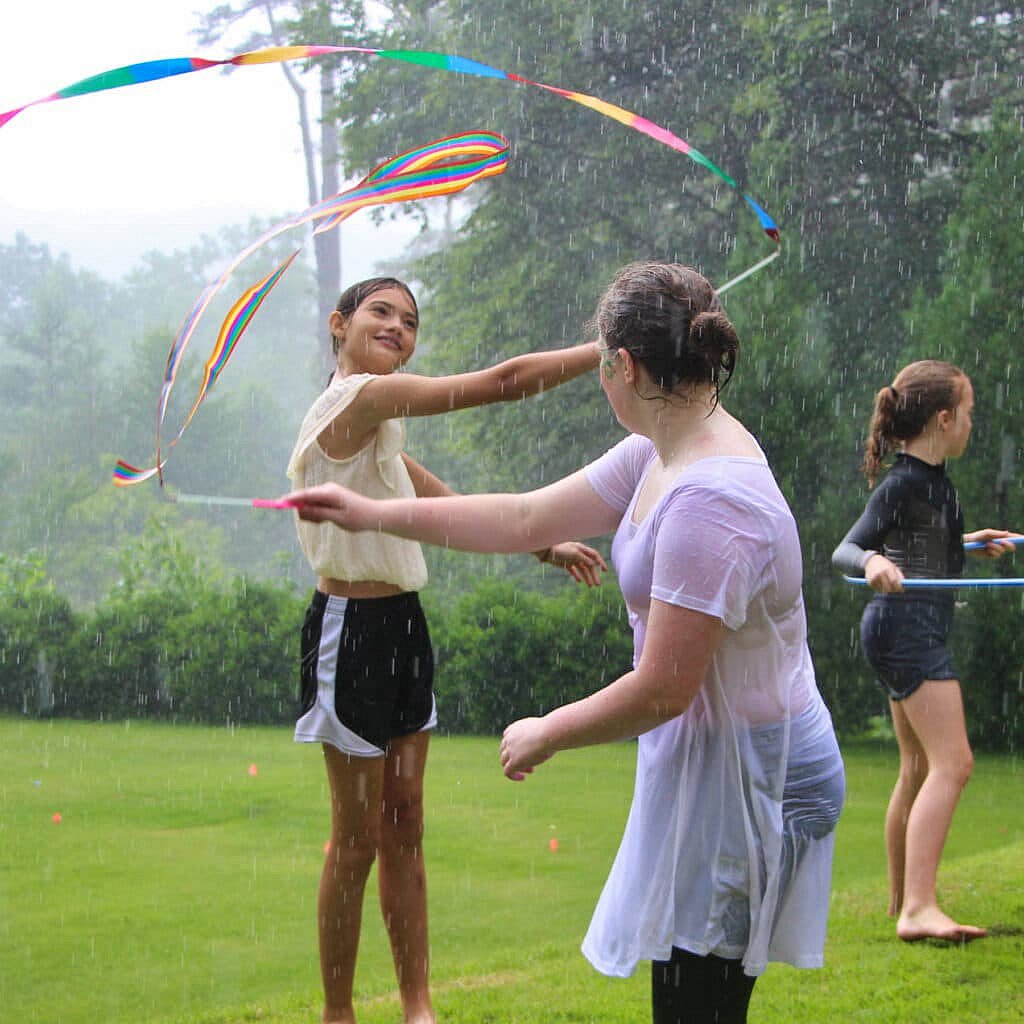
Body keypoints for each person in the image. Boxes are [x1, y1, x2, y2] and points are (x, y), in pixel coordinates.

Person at [286, 262, 846, 1024]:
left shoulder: (711, 495)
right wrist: (371, 512)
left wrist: (548, 730)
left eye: (601, 362)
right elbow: (522, 518)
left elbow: (662, 689)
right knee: (686, 990)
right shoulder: (659, 447)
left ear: (623, 365)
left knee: (699, 1000)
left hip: (755, 772)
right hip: (712, 758)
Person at [288, 275, 607, 1024]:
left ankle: (418, 1007)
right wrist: (610, 348)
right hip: (349, 633)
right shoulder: (354, 401)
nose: (398, 326)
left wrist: (540, 542)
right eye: (380, 312)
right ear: (340, 325)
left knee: (405, 825)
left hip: (403, 627)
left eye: (410, 319)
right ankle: (339, 1013)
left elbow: (426, 489)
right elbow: (501, 383)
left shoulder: (381, 425)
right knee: (356, 839)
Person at [831, 360, 1018, 943]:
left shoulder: (930, 482)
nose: (971, 424)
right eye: (968, 413)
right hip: (906, 631)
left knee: (916, 767)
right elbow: (847, 549)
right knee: (954, 763)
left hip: (901, 628)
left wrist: (966, 544)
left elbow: (922, 541)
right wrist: (873, 561)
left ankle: (899, 900)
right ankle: (918, 908)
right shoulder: (904, 483)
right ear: (943, 418)